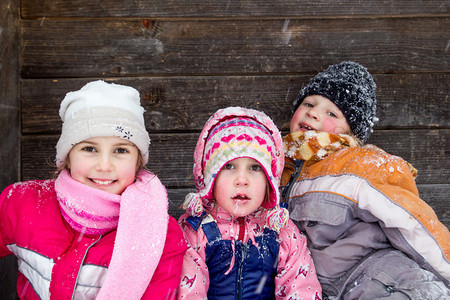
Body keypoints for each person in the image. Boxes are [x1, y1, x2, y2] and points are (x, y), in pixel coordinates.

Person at [0, 80, 187, 299]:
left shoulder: (161, 234)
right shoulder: (22, 202)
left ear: (138, 161)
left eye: (121, 150)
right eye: (89, 148)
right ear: (68, 157)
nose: (104, 165)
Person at [281, 61, 450, 299]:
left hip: (381, 281)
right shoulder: (278, 167)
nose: (313, 112)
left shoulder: (360, 164)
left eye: (331, 113)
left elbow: (413, 223)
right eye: (308, 103)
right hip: (323, 289)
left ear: (351, 133)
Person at [177, 106, 322, 299]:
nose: (242, 179)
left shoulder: (283, 232)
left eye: (255, 167)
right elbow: (188, 292)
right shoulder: (195, 232)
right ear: (210, 175)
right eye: (229, 166)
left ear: (270, 178)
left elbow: (301, 289)